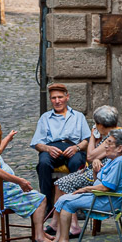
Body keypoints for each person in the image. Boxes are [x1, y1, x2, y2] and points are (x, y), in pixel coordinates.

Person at [43, 129, 122, 242]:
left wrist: (84, 189)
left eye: (109, 143)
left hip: (107, 200)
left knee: (66, 202)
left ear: (119, 148)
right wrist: (96, 169)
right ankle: (58, 240)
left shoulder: (120, 162)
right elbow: (99, 181)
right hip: (101, 197)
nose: (105, 146)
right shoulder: (113, 160)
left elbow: (106, 187)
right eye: (106, 142)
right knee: (63, 199)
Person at [44, 105, 119, 242]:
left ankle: (72, 226)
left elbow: (89, 156)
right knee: (60, 183)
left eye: (96, 124)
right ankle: (55, 223)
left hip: (98, 174)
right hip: (97, 172)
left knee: (61, 184)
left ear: (101, 125)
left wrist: (91, 136)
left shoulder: (112, 137)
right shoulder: (113, 135)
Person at [0, 121, 50, 242]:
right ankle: (39, 236)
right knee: (40, 199)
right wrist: (19, 181)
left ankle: (40, 232)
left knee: (32, 196)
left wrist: (8, 138)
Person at [31, 83, 90, 212]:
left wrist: (77, 148)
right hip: (52, 148)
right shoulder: (45, 118)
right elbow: (37, 143)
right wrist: (48, 149)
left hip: (72, 147)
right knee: (43, 163)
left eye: (60, 97)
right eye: (53, 98)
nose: (57, 101)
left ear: (67, 97)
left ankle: (76, 206)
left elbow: (87, 140)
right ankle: (48, 206)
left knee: (77, 163)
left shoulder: (78, 116)